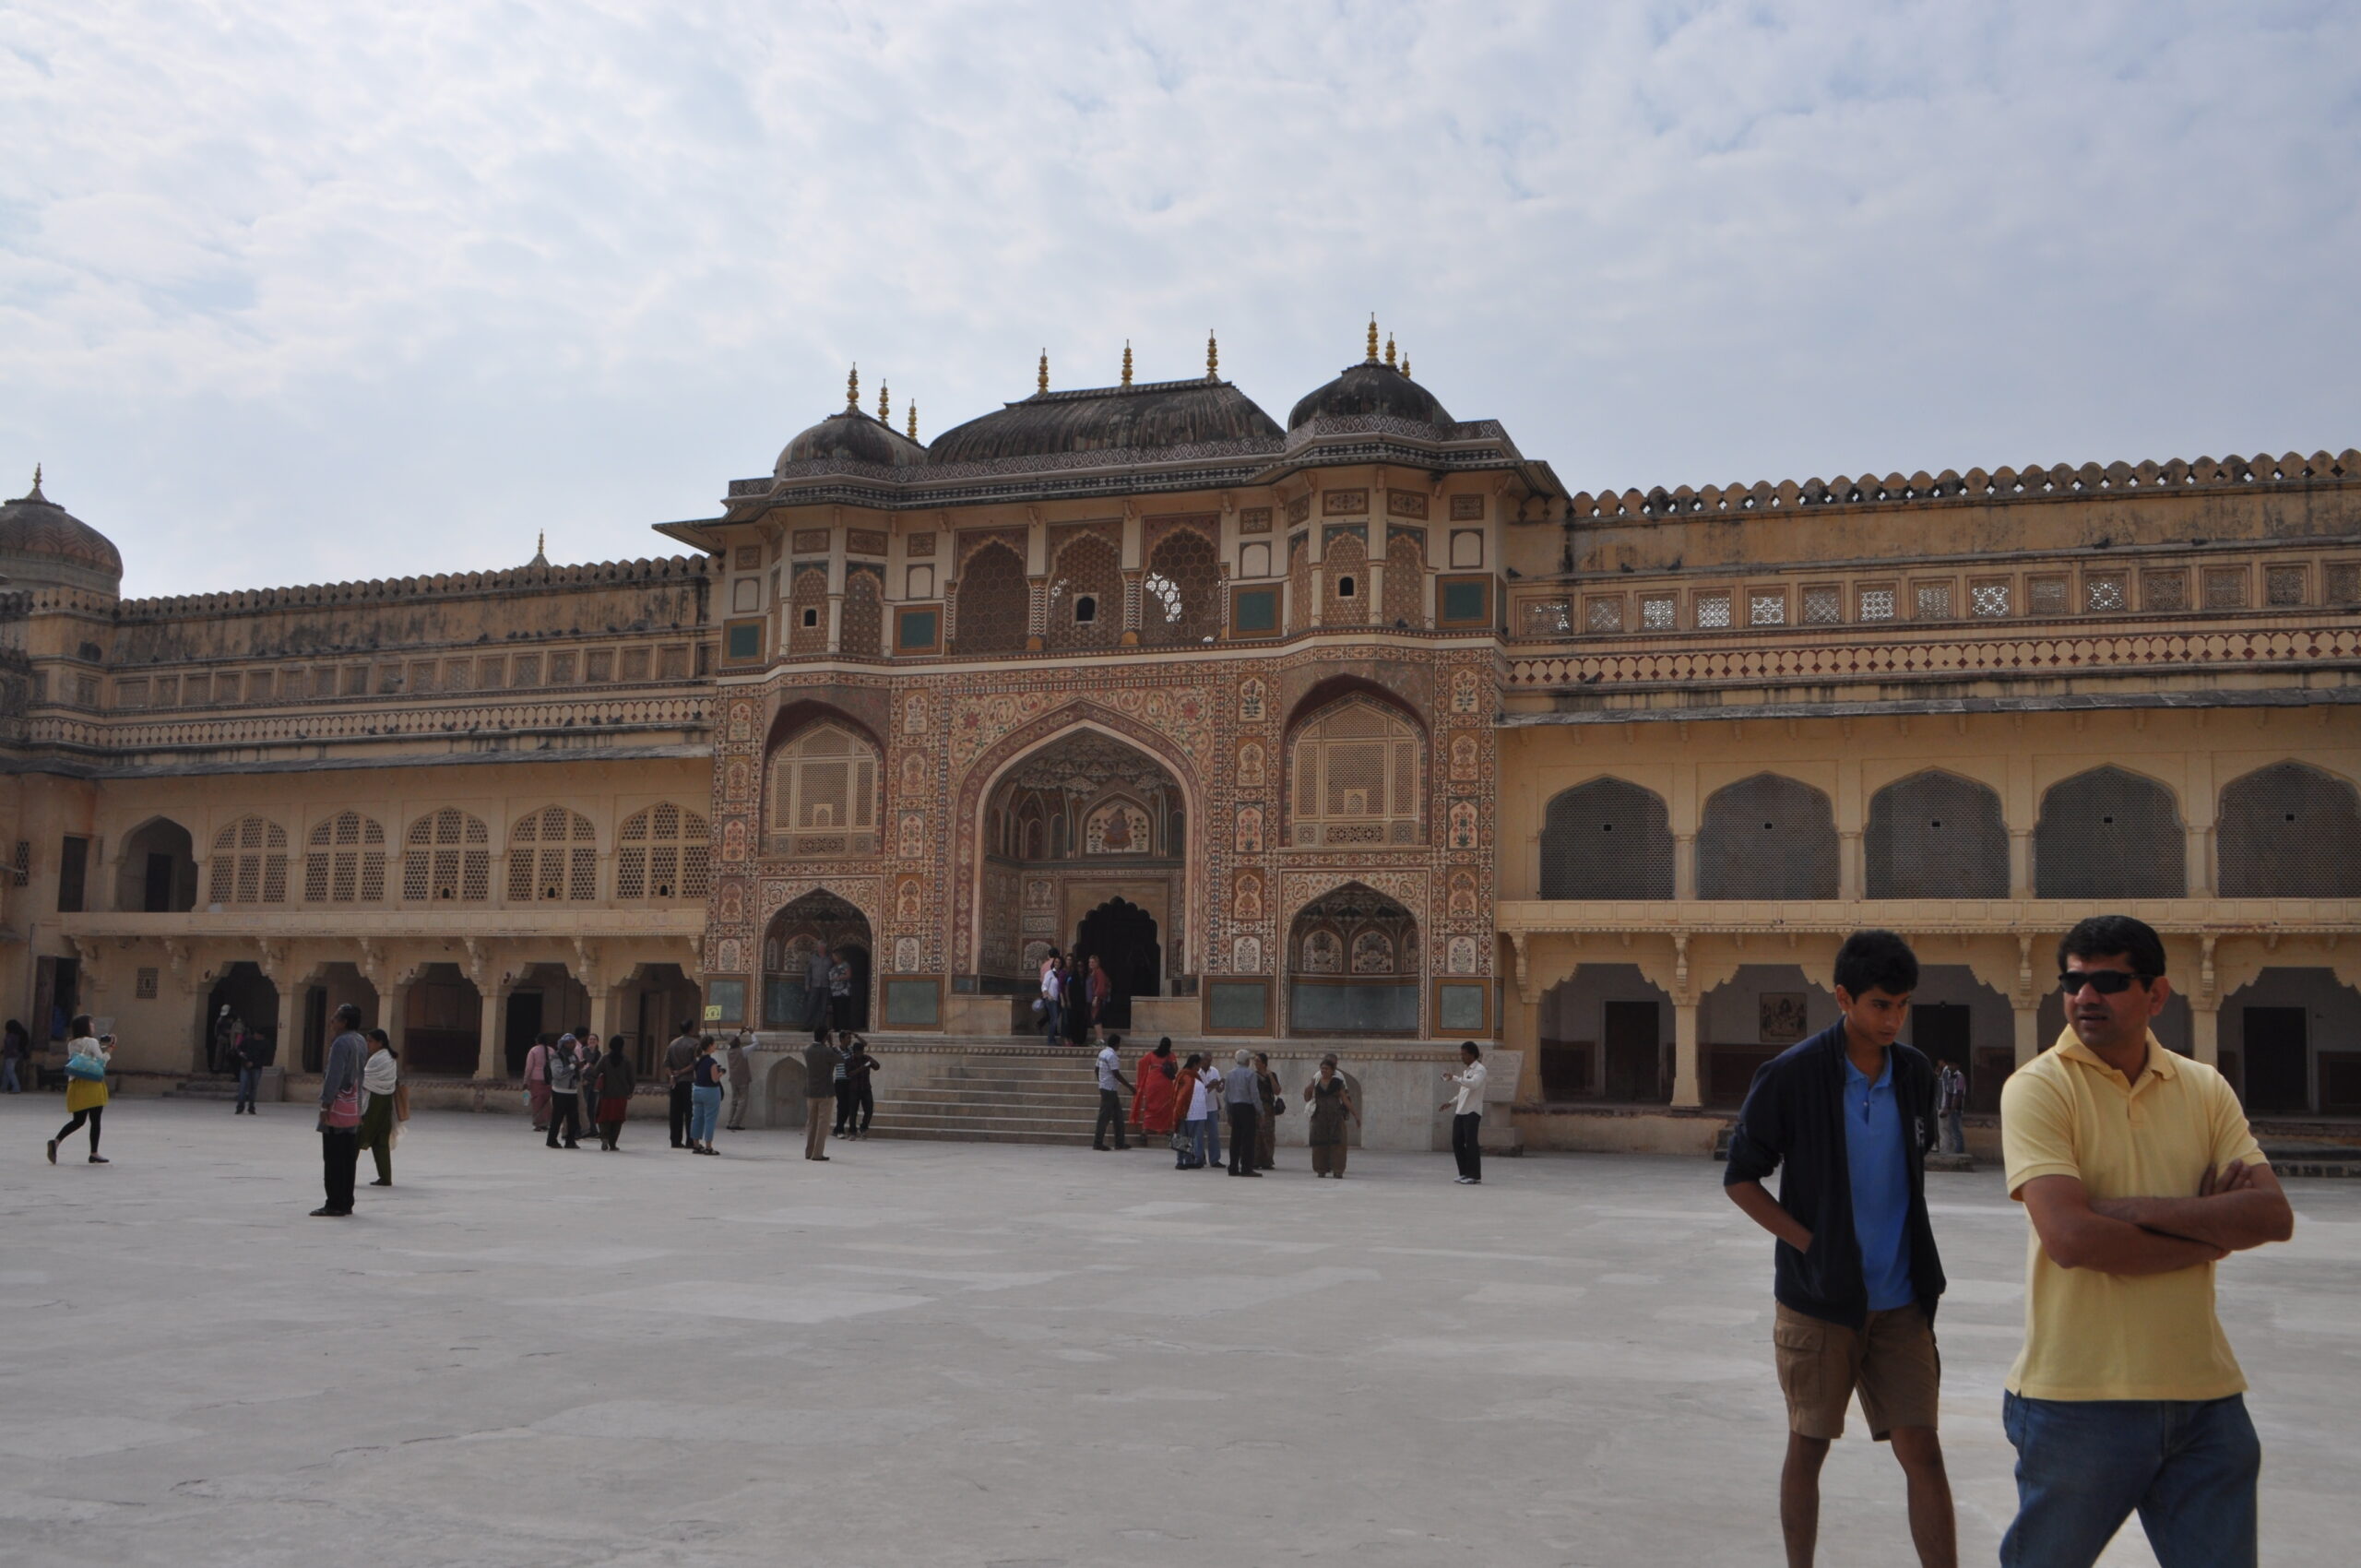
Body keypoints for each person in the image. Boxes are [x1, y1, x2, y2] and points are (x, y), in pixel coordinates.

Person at [1999, 915, 2293, 1568]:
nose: (2086, 996)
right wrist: (2209, 1230)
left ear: (2156, 995)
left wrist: (2128, 1211)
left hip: (2205, 1398)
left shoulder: (2203, 1087)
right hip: (2078, 1397)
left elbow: (2273, 1215)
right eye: (2073, 981)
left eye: (2109, 980)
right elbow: (2072, 1239)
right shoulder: (2039, 1088)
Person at [1724, 929, 1952, 1568]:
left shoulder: (1912, 1074)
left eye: (1903, 1005)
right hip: (1820, 1302)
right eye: (1881, 1004)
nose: (1893, 1019)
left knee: (1923, 1452)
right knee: (1810, 1445)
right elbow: (1741, 1178)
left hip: (1902, 1299)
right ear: (1844, 997)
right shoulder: (1793, 1075)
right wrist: (1812, 1245)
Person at [313, 1003, 366, 1215]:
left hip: (338, 1106)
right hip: (353, 1106)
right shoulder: (360, 1040)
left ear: (344, 1022)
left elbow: (334, 1076)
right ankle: (346, 1201)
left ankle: (334, 1203)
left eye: (335, 1018)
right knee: (347, 1157)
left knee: (333, 1157)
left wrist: (326, 1103)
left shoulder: (341, 1043)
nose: (331, 1021)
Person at [48, 1018, 112, 1166]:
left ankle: (56, 1142)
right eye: (91, 1023)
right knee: (95, 1120)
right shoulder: (91, 1041)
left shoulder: (71, 1043)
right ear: (86, 1027)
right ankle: (94, 1153)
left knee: (78, 1120)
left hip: (76, 1083)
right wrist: (110, 1049)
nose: (93, 1025)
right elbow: (101, 1061)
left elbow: (83, 1057)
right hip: (92, 1083)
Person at [1440, 1041, 1488, 1184]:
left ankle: (1474, 1175)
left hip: (1472, 1112)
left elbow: (1473, 1084)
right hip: (1461, 1111)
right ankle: (1464, 1173)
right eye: (1461, 1054)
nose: (1462, 1057)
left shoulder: (1480, 1069)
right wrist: (1451, 1102)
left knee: (1471, 1143)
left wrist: (1454, 1078)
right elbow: (1463, 1092)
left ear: (1472, 1054)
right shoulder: (1466, 1071)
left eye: (1464, 1054)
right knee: (1457, 1141)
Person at [359, 1028, 400, 1188]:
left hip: (373, 1103)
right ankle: (385, 1177)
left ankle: (345, 1174)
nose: (368, 1044)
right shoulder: (389, 1058)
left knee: (358, 1137)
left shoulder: (377, 1059)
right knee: (381, 1141)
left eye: (370, 1041)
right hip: (386, 1103)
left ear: (380, 1042)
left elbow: (365, 1079)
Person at [1305, 1054, 1358, 1178]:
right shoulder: (1316, 1080)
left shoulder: (1338, 1083)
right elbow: (1307, 1097)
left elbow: (1345, 1099)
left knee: (1337, 1144)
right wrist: (1310, 1086)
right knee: (1319, 1145)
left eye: (1326, 1069)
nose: (1324, 1071)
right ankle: (1320, 1169)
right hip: (1320, 1117)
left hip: (1335, 1116)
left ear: (1332, 1071)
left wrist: (1356, 1115)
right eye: (1322, 1069)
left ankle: (1338, 1169)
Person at [588, 1034, 634, 1151]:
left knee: (604, 1117)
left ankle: (604, 1138)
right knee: (617, 1119)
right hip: (621, 1095)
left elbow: (594, 1073)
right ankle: (613, 1143)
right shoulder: (626, 1060)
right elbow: (631, 1078)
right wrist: (630, 1091)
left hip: (606, 1094)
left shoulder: (604, 1058)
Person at [1222, 1049, 1263, 1177]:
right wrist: (1260, 1111)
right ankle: (1246, 1168)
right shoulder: (1250, 1074)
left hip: (1235, 1107)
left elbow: (1226, 1095)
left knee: (1235, 1139)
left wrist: (1228, 1112)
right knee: (1248, 1139)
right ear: (1247, 1061)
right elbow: (1254, 1094)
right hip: (1247, 1108)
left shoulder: (1230, 1074)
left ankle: (1233, 1167)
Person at [1131, 1037, 1179, 1142]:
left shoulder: (1151, 1054)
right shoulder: (1170, 1055)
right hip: (1165, 1084)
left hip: (1152, 1083)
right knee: (1166, 1106)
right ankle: (1167, 1129)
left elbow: (1141, 1062)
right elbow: (1175, 1070)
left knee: (1150, 1107)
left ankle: (1145, 1131)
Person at [803, 1033, 841, 1161]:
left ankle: (809, 1152)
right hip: (825, 1092)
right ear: (825, 1037)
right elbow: (841, 1059)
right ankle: (817, 1153)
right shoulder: (827, 1051)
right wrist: (832, 1045)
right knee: (822, 1123)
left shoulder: (806, 1049)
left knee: (811, 1123)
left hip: (811, 1091)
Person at [1093, 1033, 1133, 1151]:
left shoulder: (1102, 1053)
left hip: (1107, 1088)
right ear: (1117, 1044)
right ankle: (1098, 1143)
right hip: (1109, 1089)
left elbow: (1096, 1069)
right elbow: (1116, 1074)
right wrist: (1130, 1087)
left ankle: (1119, 1142)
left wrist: (1101, 1081)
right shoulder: (1112, 1056)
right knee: (1104, 1117)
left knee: (1118, 1116)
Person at [664, 1021, 700, 1149]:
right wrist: (682, 1071)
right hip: (688, 1081)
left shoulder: (672, 1043)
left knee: (675, 1112)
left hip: (675, 1082)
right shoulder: (695, 1044)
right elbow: (695, 1063)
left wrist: (672, 1076)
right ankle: (691, 1140)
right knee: (690, 1113)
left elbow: (666, 1064)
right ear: (691, 1029)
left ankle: (675, 1140)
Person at [544, 1032, 584, 1149]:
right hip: (560, 1091)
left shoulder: (573, 1056)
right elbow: (557, 1074)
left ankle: (570, 1141)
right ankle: (551, 1140)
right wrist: (573, 1066)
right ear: (562, 1044)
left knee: (573, 1118)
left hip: (572, 1091)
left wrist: (581, 1069)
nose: (571, 1045)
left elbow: (576, 1071)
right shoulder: (556, 1056)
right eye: (568, 1042)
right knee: (557, 1117)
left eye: (572, 1042)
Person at [1173, 1051, 1212, 1170]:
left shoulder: (1196, 1076)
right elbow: (1181, 1095)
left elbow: (1201, 1092)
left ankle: (1192, 1160)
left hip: (1199, 1113)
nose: (1200, 1067)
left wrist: (1210, 1087)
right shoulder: (1184, 1076)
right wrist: (1180, 1111)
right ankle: (1180, 1161)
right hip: (1187, 1112)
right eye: (1199, 1064)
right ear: (1194, 1064)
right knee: (1183, 1137)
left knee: (1196, 1138)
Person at [837, 1034, 881, 1138]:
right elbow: (849, 1074)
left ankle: (863, 1128)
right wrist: (863, 1067)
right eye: (858, 1052)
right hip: (854, 1089)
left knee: (869, 1110)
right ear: (855, 1052)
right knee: (853, 1111)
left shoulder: (866, 1058)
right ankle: (852, 1132)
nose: (860, 1054)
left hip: (866, 1088)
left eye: (862, 1052)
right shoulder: (849, 1061)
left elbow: (877, 1067)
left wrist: (874, 1062)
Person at [687, 1037, 724, 1155]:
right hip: (710, 1092)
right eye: (714, 1044)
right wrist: (721, 1073)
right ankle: (708, 1147)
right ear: (709, 1046)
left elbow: (696, 1076)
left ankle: (696, 1145)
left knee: (697, 1117)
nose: (715, 1047)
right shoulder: (711, 1062)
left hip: (697, 1090)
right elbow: (714, 1079)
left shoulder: (697, 1060)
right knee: (710, 1119)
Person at [229, 1023, 264, 1113]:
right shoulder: (247, 1041)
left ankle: (251, 1107)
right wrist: (242, 1055)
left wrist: (254, 1063)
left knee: (253, 1088)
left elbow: (266, 1058)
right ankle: (240, 1107)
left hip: (256, 1068)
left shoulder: (264, 1044)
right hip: (245, 1066)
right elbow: (239, 1049)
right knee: (243, 1086)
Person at [1254, 1051, 1280, 1170]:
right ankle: (1255, 1159)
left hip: (1268, 1108)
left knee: (1268, 1135)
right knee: (1256, 1134)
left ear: (1264, 1063)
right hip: (1256, 1108)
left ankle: (1267, 1160)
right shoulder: (1253, 1076)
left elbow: (1277, 1091)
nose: (1255, 1063)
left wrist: (1270, 1077)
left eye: (1258, 1061)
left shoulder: (1272, 1075)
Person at [802, 945, 833, 1045]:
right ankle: (808, 1025)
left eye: (822, 947)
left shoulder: (829, 959)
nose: (820, 949)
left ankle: (821, 1027)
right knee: (811, 1005)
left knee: (823, 1007)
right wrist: (807, 984)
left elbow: (833, 972)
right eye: (819, 947)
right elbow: (808, 972)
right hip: (814, 985)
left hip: (826, 985)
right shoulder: (813, 959)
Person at [1938, 1060, 1967, 1156]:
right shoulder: (1950, 1077)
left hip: (1956, 1109)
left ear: (1957, 1066)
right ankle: (1953, 1152)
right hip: (1950, 1108)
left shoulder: (1959, 1077)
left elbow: (1958, 1095)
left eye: (1952, 1065)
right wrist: (1946, 1108)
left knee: (1956, 1131)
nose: (1950, 1067)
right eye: (1949, 1065)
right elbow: (1948, 1094)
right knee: (1951, 1130)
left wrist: (1951, 1109)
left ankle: (1959, 1152)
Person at [524, 1033, 552, 1132]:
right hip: (549, 1079)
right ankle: (546, 1122)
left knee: (537, 1101)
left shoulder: (534, 1050)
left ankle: (538, 1123)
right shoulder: (552, 1050)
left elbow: (529, 1067)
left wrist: (526, 1081)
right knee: (546, 1101)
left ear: (537, 1041)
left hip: (536, 1079)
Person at [725, 1032, 753, 1132]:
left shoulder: (729, 1051)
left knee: (734, 1101)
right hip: (743, 1079)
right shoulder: (743, 1051)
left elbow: (730, 1043)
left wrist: (739, 1033)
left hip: (733, 1079)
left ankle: (729, 1122)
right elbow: (756, 1043)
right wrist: (752, 1033)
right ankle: (735, 1123)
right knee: (742, 1102)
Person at [827, 949, 855, 1040]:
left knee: (843, 1009)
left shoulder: (845, 965)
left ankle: (844, 1027)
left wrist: (838, 978)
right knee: (836, 1009)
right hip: (835, 991)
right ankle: (836, 1027)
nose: (833, 958)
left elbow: (848, 975)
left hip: (843, 991)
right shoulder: (834, 966)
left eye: (834, 956)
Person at [1083, 955, 1111, 1044]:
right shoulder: (1092, 972)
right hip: (1091, 1000)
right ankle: (1098, 1039)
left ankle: (1100, 1039)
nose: (1091, 964)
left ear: (1097, 963)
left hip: (1097, 1000)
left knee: (1096, 1019)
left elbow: (1100, 986)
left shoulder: (1099, 972)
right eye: (1089, 962)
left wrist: (1096, 997)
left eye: (1093, 962)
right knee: (1094, 1019)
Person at [1038, 949, 1063, 1046]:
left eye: (1059, 962)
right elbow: (1044, 985)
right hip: (1050, 999)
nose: (1057, 963)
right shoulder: (1050, 973)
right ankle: (1050, 1040)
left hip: (1055, 999)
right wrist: (1048, 995)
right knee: (1053, 1019)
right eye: (1056, 962)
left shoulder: (1059, 974)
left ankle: (1052, 1039)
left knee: (1053, 1018)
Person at [3, 1017, 28, 1094]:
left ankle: (16, 1088)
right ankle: (3, 1088)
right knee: (6, 1072)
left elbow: (9, 1046)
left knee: (10, 1072)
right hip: (16, 1055)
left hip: (10, 1056)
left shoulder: (11, 1035)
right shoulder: (20, 1033)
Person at [210, 1004, 237, 1075]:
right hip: (222, 1037)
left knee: (228, 1054)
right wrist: (217, 1035)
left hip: (230, 1038)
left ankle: (227, 1069)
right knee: (219, 1053)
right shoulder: (220, 1019)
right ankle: (216, 1068)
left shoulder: (233, 1018)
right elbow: (217, 1028)